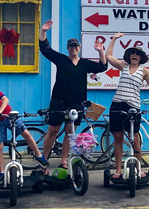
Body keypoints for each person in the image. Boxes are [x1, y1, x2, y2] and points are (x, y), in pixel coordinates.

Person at [38, 20, 107, 170]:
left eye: (76, 46)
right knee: (53, 131)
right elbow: (45, 49)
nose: (73, 48)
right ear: (68, 48)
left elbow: (103, 67)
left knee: (70, 132)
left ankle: (64, 160)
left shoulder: (84, 63)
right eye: (71, 46)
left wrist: (101, 51)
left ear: (79, 48)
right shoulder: (62, 60)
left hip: (77, 103)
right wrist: (43, 31)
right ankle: (44, 159)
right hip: (59, 101)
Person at [106, 33, 149, 179]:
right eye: (132, 52)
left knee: (135, 139)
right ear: (129, 56)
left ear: (140, 57)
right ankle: (118, 170)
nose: (134, 54)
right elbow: (108, 56)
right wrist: (114, 39)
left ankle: (139, 169)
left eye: (137, 53)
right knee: (118, 138)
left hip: (133, 107)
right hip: (117, 105)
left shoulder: (144, 71)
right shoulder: (123, 66)